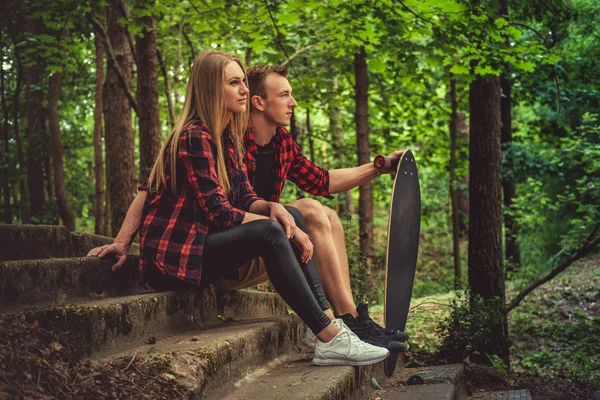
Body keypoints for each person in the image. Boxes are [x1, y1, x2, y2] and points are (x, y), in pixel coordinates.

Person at [89, 49, 389, 367]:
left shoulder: (227, 139)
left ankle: (333, 328)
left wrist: (275, 209)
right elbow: (216, 211)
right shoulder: (194, 136)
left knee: (293, 215)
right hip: (177, 260)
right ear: (210, 89)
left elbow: (245, 197)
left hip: (206, 250)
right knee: (274, 230)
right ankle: (328, 334)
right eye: (235, 83)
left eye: (244, 81)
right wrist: (122, 242)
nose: (244, 89)